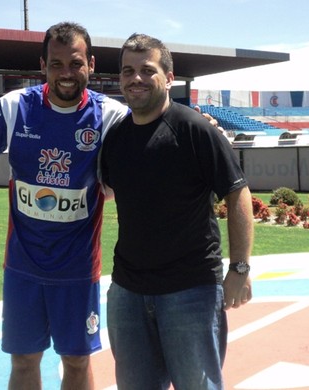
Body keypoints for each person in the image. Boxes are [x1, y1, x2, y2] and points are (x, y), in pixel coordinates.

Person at [0, 22, 129, 389]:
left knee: (78, 362)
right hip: (23, 264)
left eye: (75, 63)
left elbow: (155, 135)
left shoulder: (111, 116)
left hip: (78, 267)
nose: (66, 73)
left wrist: (202, 125)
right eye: (57, 64)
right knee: (23, 361)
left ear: (92, 65)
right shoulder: (15, 106)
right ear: (43, 65)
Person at [100, 33, 254, 390]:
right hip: (128, 293)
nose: (135, 78)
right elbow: (109, 192)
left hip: (191, 292)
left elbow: (237, 193)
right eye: (127, 71)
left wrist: (240, 268)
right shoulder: (116, 138)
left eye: (146, 70)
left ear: (169, 77)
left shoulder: (195, 130)